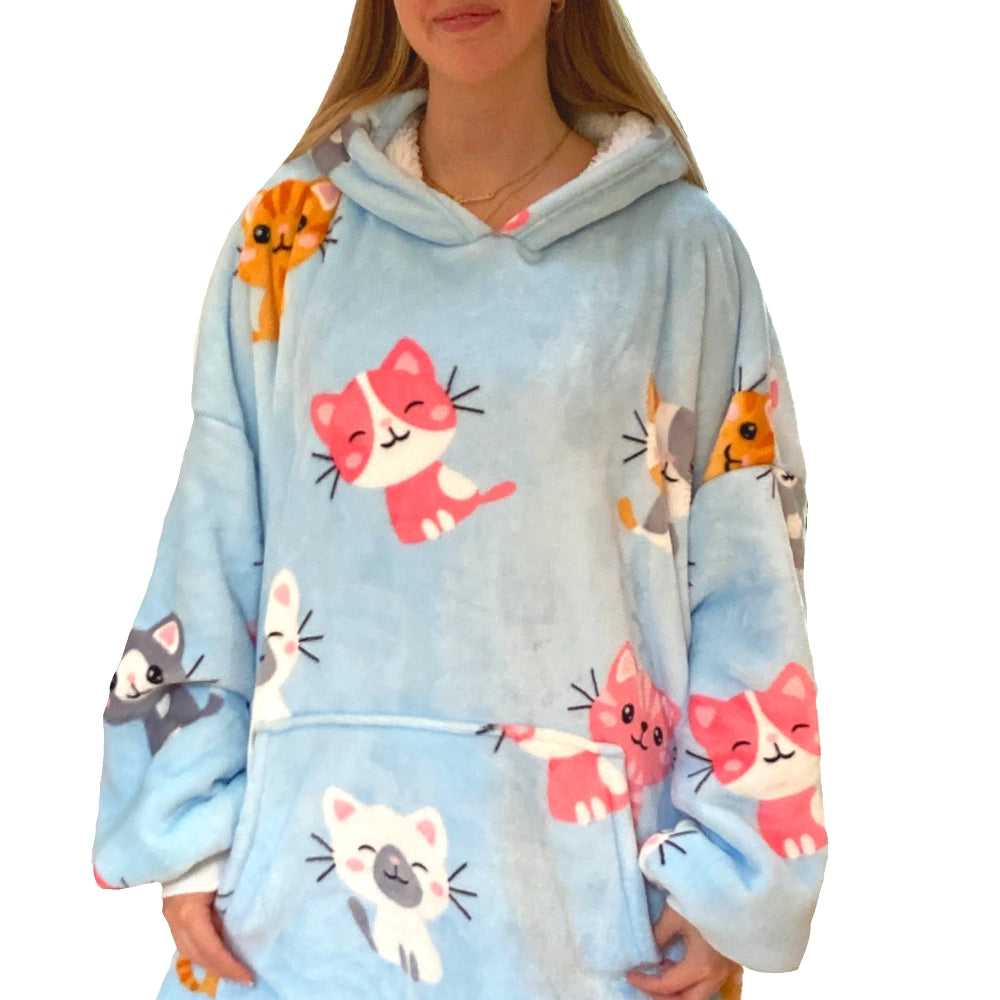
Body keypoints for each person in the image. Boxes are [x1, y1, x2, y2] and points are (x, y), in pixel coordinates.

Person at [93, 2, 825, 998]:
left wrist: (731, 872)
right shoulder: (292, 234)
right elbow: (215, 527)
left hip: (584, 909)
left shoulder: (681, 252)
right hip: (305, 895)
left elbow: (749, 575)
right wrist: (187, 831)